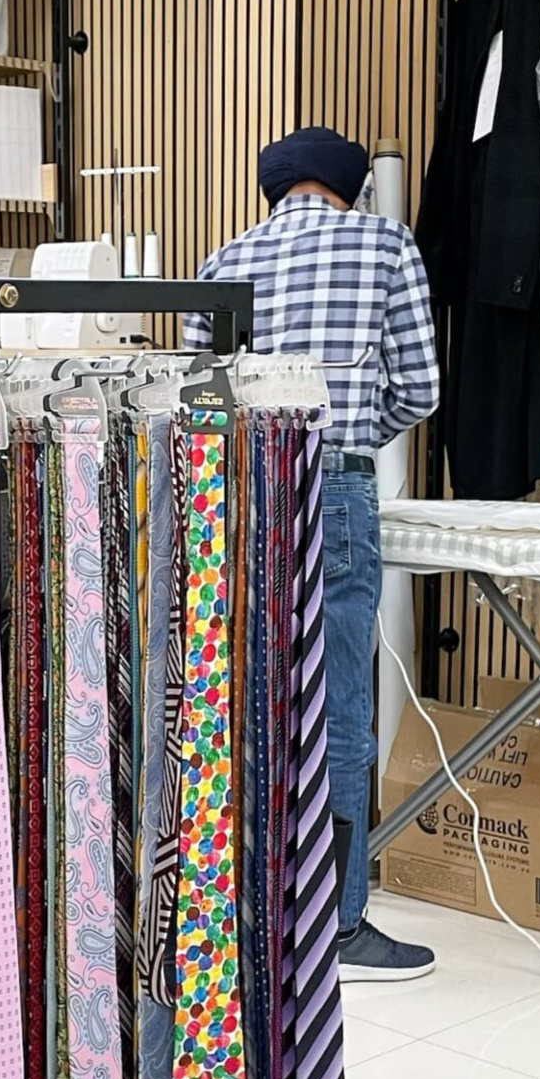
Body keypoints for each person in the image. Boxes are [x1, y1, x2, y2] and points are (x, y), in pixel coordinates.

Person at [187, 125, 441, 981]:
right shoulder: (385, 242)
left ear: (275, 190)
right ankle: (338, 924)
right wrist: (356, 432)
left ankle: (257, 904)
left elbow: (200, 390)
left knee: (251, 693)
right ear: (350, 186)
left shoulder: (225, 259)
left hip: (241, 487)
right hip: (336, 480)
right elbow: (422, 385)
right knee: (340, 700)